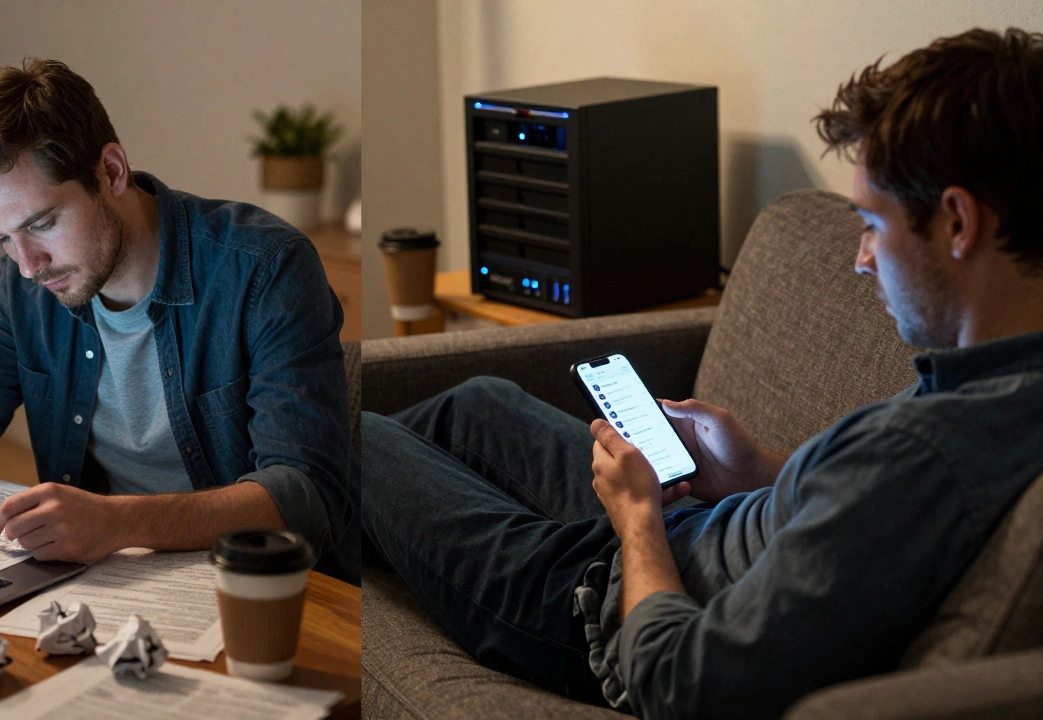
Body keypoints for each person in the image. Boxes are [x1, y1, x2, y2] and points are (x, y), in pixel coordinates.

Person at [361, 27, 1043, 718]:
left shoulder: (928, 452)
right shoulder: (999, 384)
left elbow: (686, 686)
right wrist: (757, 471)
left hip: (603, 604)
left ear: (957, 222)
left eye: (872, 223)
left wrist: (636, 522)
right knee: (477, 404)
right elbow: (858, 515)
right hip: (695, 528)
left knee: (353, 436)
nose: (862, 258)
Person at [0, 59, 355, 580]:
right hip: (104, 583)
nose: (29, 264)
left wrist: (117, 522)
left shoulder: (264, 268)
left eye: (42, 224)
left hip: (249, 585)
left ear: (111, 171)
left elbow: (308, 499)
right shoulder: (24, 285)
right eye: (2, 239)